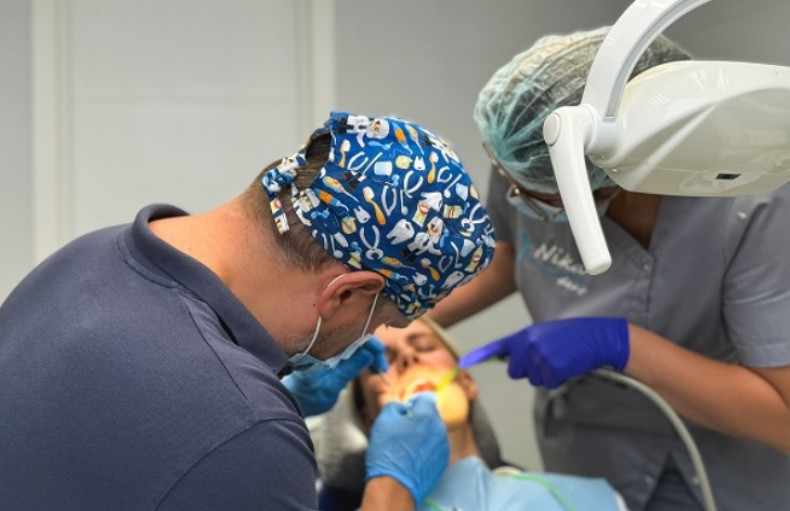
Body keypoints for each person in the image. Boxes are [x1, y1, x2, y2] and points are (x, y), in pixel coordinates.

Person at [0, 111, 496, 510]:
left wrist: (267, 405)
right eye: (382, 322)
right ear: (346, 293)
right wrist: (393, 487)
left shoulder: (86, 256)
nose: (373, 340)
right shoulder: (250, 434)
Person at [428, 27, 790, 511]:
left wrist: (621, 344)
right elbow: (511, 250)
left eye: (534, 194)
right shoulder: (532, 155)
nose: (514, 196)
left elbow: (783, 416)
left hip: (721, 459)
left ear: (605, 175)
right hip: (588, 449)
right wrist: (400, 320)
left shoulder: (755, 206)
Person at [312, 317, 628, 511]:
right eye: (385, 361)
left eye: (424, 346)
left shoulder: (592, 501)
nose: (409, 357)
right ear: (369, 417)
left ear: (467, 382)